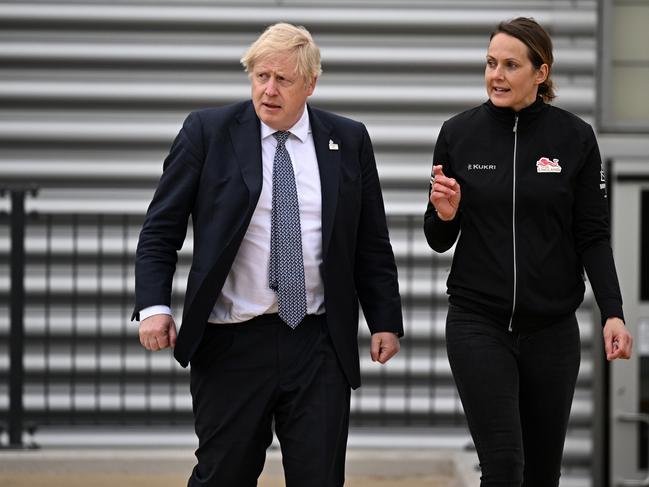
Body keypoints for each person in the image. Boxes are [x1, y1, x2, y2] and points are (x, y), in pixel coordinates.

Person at [132, 22, 403, 487]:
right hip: (232, 340)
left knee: (319, 477)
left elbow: (370, 240)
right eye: (261, 76)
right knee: (224, 474)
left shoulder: (349, 139)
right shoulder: (208, 132)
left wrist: (384, 319)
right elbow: (161, 228)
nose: (269, 90)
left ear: (310, 84)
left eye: (283, 79)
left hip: (318, 340)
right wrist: (154, 306)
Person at [424, 17, 632, 487]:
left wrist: (613, 312)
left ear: (541, 73)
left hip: (551, 330)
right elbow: (437, 239)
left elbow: (593, 235)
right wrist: (447, 213)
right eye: (491, 63)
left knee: (542, 474)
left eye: (511, 65)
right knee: (503, 467)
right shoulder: (459, 134)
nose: (496, 74)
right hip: (478, 321)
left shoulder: (575, 138)